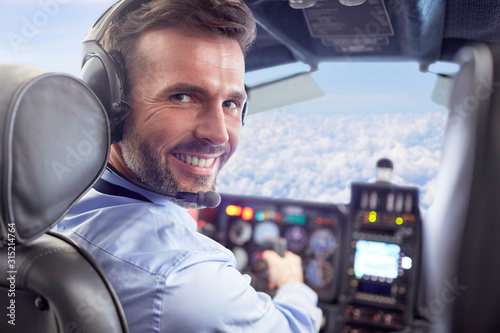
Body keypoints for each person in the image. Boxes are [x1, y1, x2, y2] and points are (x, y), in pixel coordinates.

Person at [55, 0, 323, 332]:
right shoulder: (184, 278)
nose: (218, 134)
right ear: (108, 104)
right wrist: (294, 285)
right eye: (183, 97)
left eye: (230, 103)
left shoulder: (51, 202)